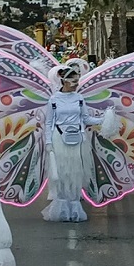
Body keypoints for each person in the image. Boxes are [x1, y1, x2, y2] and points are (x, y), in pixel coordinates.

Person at [42, 66, 109, 222]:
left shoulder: (79, 98)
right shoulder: (54, 99)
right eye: (73, 81)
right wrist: (48, 142)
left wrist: (104, 119)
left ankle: (74, 207)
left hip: (77, 140)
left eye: (77, 81)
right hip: (59, 139)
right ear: (64, 81)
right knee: (62, 173)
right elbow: (49, 122)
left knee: (76, 173)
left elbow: (85, 118)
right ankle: (62, 209)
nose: (76, 84)